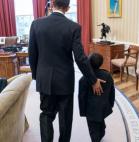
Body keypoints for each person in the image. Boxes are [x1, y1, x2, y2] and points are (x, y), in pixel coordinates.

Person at [28, 0, 105, 142]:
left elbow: (32, 54)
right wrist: (93, 80)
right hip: (65, 81)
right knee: (65, 118)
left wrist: (37, 76)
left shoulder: (36, 24)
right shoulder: (74, 27)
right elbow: (80, 58)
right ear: (68, 8)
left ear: (51, 5)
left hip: (44, 79)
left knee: (46, 114)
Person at [78, 53, 115, 142]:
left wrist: (83, 111)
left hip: (91, 111)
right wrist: (111, 104)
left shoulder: (83, 79)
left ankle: (98, 136)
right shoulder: (108, 76)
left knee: (93, 132)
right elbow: (112, 92)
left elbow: (81, 98)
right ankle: (102, 130)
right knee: (100, 119)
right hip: (104, 106)